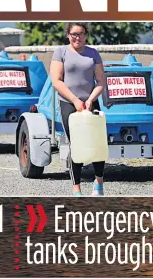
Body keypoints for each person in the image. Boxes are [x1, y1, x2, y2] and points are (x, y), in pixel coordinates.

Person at [50, 22, 108, 197]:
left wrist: (90, 99)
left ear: (86, 35)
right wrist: (75, 100)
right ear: (68, 35)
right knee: (77, 144)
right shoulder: (61, 52)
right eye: (74, 34)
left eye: (81, 33)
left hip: (90, 102)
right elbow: (57, 81)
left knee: (97, 143)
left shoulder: (93, 54)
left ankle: (98, 182)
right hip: (69, 103)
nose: (77, 37)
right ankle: (77, 189)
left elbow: (101, 82)